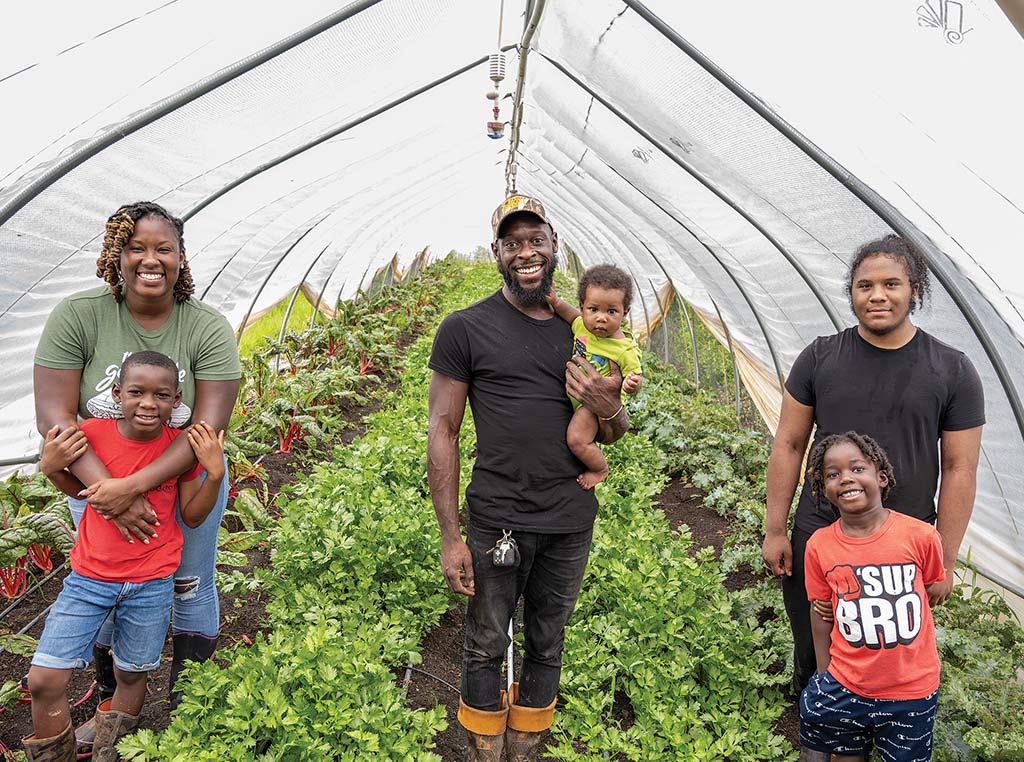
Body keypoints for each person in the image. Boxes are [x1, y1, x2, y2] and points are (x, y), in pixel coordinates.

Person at [427, 194, 629, 761]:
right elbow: (442, 431)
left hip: (568, 521)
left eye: (535, 239)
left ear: (554, 244)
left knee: (548, 638)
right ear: (496, 252)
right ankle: (486, 749)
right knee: (486, 640)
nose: (526, 252)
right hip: (497, 519)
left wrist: (606, 403)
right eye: (512, 243)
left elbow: (613, 430)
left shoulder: (585, 334)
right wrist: (451, 536)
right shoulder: (465, 329)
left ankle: (526, 746)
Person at [32, 201, 241, 726]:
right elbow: (56, 418)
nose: (151, 259)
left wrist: (131, 489)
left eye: (163, 248)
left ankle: (189, 707)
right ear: (115, 256)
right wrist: (110, 493)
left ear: (181, 257)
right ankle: (111, 701)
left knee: (189, 582)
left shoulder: (207, 328)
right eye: (136, 247)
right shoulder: (79, 315)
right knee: (105, 582)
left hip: (180, 480)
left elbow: (206, 429)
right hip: (95, 478)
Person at [761, 234, 984, 704]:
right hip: (823, 529)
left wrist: (943, 554)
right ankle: (818, 721)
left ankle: (886, 726)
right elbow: (789, 443)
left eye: (891, 284)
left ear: (914, 291)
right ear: (852, 293)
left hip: (904, 539)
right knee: (813, 631)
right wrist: (776, 529)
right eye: (864, 286)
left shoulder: (952, 369)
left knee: (889, 644)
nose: (877, 295)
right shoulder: (820, 357)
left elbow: (960, 469)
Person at [24, 352, 225, 761]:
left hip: (152, 585)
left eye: (161, 395)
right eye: (136, 392)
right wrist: (51, 469)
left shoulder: (181, 449)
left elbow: (193, 515)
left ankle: (109, 753)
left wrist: (215, 474)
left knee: (132, 674)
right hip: (88, 581)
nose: (148, 403)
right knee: (44, 680)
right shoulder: (91, 435)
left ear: (177, 401)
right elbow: (82, 490)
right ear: (117, 393)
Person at [800, 432, 944, 762]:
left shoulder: (921, 536)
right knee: (845, 755)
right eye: (832, 474)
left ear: (881, 477)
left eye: (857, 468)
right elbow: (820, 611)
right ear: (825, 490)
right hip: (846, 683)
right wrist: (824, 674)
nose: (846, 478)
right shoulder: (819, 546)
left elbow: (933, 588)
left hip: (912, 689)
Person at [546, 264, 643, 488]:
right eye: (593, 309)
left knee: (577, 440)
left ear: (625, 313)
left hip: (591, 405)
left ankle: (600, 469)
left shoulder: (623, 349)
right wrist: (554, 301)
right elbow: (567, 312)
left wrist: (632, 383)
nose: (601, 318)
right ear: (582, 308)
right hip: (578, 397)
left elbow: (634, 375)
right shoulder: (582, 325)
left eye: (611, 311)